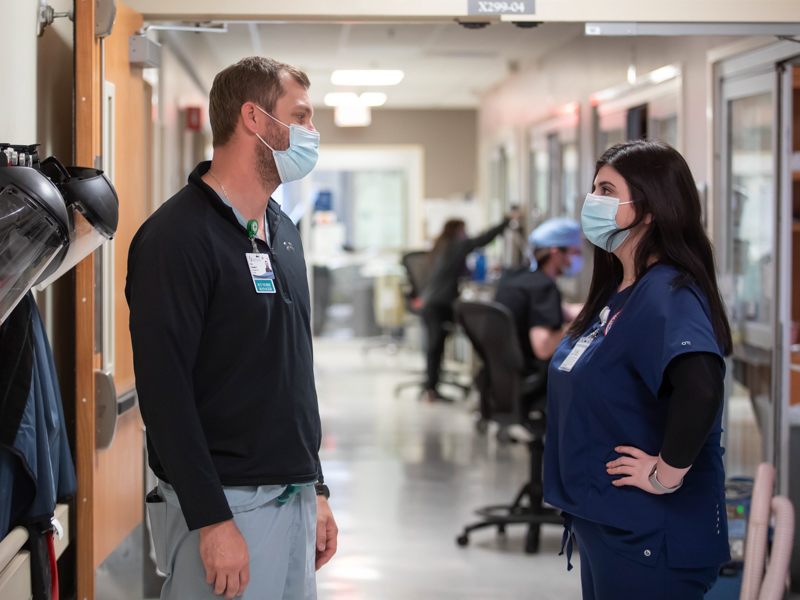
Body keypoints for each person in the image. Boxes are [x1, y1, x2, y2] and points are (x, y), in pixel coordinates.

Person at [126, 57, 337, 600]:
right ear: (254, 118)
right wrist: (213, 521)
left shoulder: (282, 230)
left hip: (292, 498)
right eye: (301, 117)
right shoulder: (175, 239)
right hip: (225, 506)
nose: (312, 133)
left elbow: (293, 370)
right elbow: (164, 394)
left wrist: (315, 488)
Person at [544, 140, 732, 600]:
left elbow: (702, 387)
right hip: (608, 523)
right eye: (594, 189)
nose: (594, 201)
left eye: (607, 190)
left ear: (648, 208)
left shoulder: (666, 291)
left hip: (649, 536)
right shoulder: (621, 291)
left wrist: (664, 474)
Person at [421, 217, 511, 402]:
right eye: (464, 230)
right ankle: (431, 389)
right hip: (439, 304)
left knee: (434, 347)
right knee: (436, 347)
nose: (466, 234)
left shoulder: (441, 248)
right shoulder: (458, 245)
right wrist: (507, 221)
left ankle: (431, 387)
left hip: (431, 302)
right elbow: (483, 239)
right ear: (457, 231)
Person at [494, 217, 583, 380]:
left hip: (502, 375)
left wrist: (596, 309)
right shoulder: (544, 287)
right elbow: (543, 347)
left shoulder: (516, 277)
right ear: (556, 252)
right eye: (575, 252)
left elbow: (557, 310)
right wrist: (580, 326)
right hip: (531, 375)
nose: (578, 259)